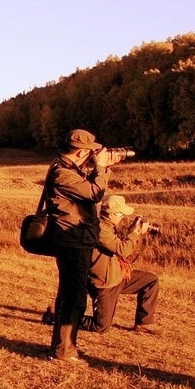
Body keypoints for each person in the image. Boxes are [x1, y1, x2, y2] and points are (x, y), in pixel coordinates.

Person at [45, 128, 124, 365]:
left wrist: (102, 167)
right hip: (72, 242)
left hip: (77, 240)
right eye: (90, 151)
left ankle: (64, 348)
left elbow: (88, 190)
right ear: (81, 151)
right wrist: (100, 167)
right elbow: (94, 193)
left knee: (73, 296)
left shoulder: (68, 169)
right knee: (73, 298)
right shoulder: (62, 173)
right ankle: (63, 351)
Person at [82, 195, 160, 334]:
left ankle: (144, 323)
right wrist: (135, 233)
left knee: (151, 281)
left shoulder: (108, 226)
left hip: (116, 276)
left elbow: (117, 246)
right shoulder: (99, 230)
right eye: (121, 214)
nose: (123, 217)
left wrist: (132, 232)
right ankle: (59, 316)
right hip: (104, 284)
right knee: (100, 327)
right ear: (112, 214)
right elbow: (122, 250)